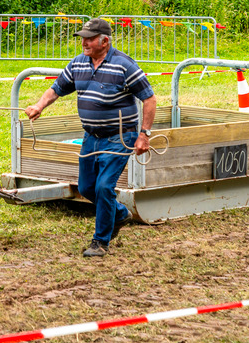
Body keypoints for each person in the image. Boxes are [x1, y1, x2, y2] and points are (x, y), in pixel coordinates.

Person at [24, 18, 156, 258]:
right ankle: (119, 213)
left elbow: (149, 98)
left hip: (119, 137)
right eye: (83, 38)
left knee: (104, 186)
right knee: (86, 187)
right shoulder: (78, 64)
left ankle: (100, 241)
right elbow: (56, 88)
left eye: (89, 38)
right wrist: (39, 105)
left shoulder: (124, 65)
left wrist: (144, 135)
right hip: (91, 137)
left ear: (104, 41)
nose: (84, 42)